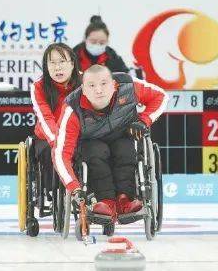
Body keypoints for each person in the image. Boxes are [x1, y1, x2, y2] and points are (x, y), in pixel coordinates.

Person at [53, 65, 168, 220]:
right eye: (91, 86)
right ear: (83, 89)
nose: (98, 90)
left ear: (114, 84)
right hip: (91, 142)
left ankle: (124, 200)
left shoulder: (128, 86)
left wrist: (144, 121)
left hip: (124, 135)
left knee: (125, 149)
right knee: (96, 152)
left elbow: (161, 96)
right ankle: (106, 202)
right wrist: (73, 187)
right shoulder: (72, 108)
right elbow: (60, 154)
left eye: (103, 84)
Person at [30, 43, 81, 195]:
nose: (57, 68)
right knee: (48, 151)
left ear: (72, 64)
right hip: (49, 138)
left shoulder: (86, 82)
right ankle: (57, 192)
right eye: (52, 63)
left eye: (62, 62)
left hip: (78, 136)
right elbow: (45, 118)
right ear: (46, 66)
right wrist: (58, 144)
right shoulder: (38, 86)